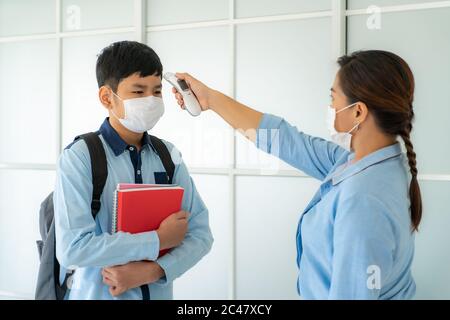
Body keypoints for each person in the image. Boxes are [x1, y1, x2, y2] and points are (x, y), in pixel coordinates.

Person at [171, 50, 421, 299]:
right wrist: (211, 100)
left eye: (333, 98)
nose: (330, 107)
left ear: (358, 112)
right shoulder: (369, 163)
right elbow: (285, 140)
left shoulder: (363, 199)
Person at [54, 41, 213, 300]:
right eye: (138, 92)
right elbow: (73, 249)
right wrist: (158, 240)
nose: (149, 100)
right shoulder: (80, 157)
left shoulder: (168, 155)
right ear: (107, 97)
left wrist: (153, 271)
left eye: (157, 91)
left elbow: (201, 235)